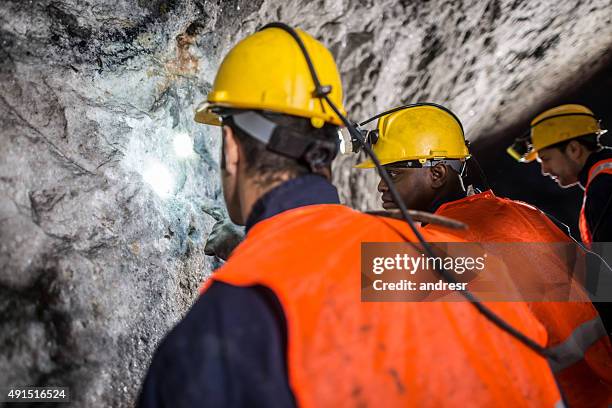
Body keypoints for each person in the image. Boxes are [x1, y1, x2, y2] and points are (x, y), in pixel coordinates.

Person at [137, 25, 564, 407]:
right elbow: (355, 282)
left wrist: (260, 261)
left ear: (230, 147)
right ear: (329, 151)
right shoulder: (459, 260)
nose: (384, 188)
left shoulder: (224, 327)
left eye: (392, 173)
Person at [357, 103, 612, 407]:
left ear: (437, 173)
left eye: (393, 174)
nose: (381, 186)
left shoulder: (437, 244)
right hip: (599, 383)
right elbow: (601, 281)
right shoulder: (524, 213)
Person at [508, 104, 612, 246]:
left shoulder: (602, 191)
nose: (544, 170)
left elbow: (606, 265)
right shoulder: (605, 178)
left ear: (573, 149)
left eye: (546, 159)